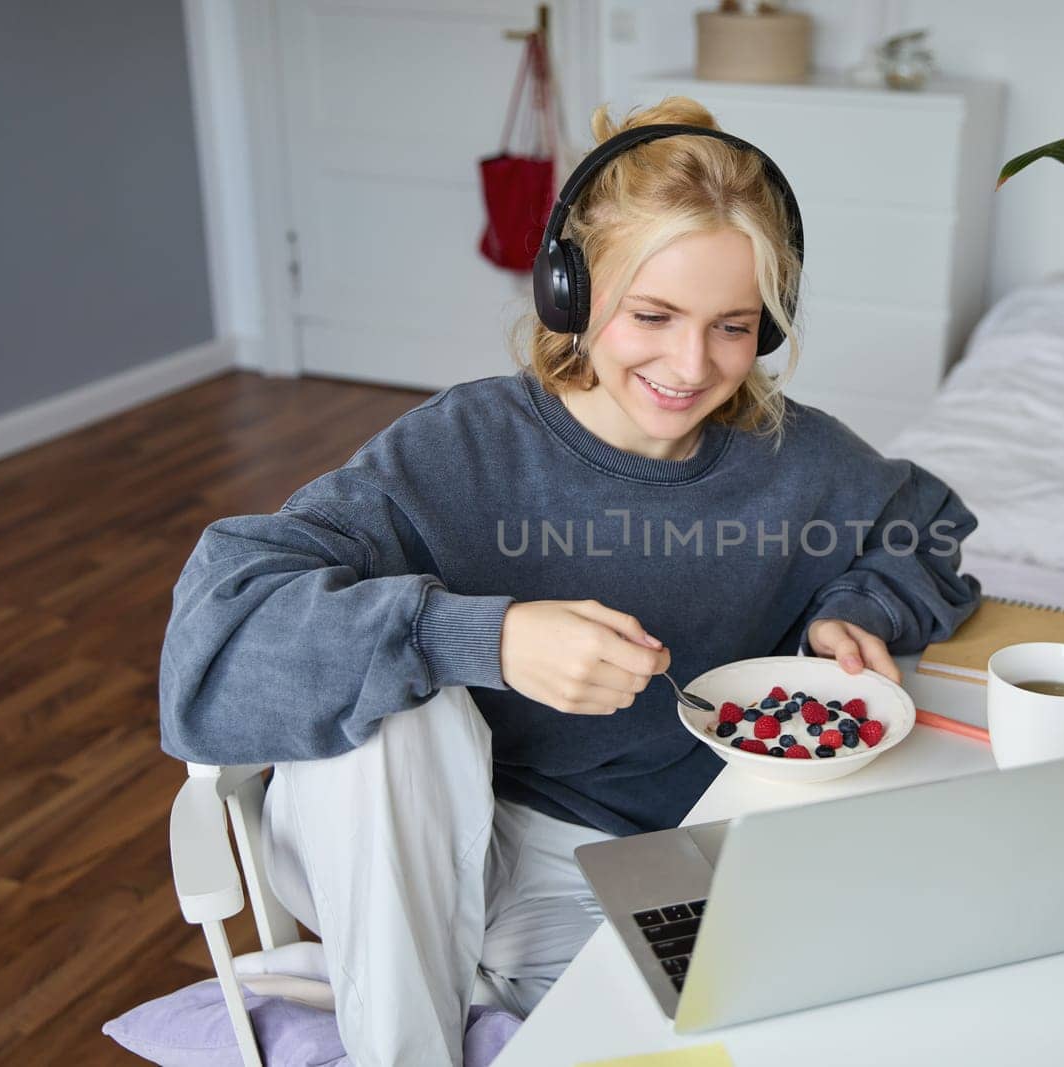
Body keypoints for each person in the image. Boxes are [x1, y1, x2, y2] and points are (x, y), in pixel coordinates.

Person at [158, 95, 983, 1065]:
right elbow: (222, 623)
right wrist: (481, 636)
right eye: (653, 314)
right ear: (569, 291)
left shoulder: (799, 460)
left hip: (620, 864)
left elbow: (921, 532)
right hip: (409, 842)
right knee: (401, 706)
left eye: (731, 325)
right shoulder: (461, 446)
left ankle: (486, 984)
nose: (690, 363)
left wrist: (858, 606)